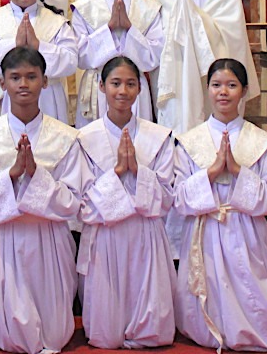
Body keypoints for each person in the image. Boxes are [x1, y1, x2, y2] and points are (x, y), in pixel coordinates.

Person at [174, 59, 267, 352]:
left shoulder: (261, 143)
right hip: (205, 226)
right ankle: (209, 329)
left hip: (245, 229)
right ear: (207, 90)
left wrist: (236, 171)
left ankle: (252, 328)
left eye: (232, 85)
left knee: (251, 286)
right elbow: (179, 198)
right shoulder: (189, 142)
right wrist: (210, 173)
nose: (223, 92)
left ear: (244, 91)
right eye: (217, 85)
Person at [0, 46, 84, 354]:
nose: (23, 85)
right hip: (8, 239)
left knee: (54, 330)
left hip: (50, 238)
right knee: (12, 332)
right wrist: (11, 176)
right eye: (15, 77)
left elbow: (74, 203)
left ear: (45, 82)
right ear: (2, 83)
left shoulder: (65, 137)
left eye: (31, 77)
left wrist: (36, 174)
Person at [77, 56, 177, 349]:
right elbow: (82, 202)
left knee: (149, 313)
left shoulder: (158, 137)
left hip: (146, 232)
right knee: (106, 334)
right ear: (101, 86)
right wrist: (119, 172)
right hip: (106, 233)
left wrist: (138, 172)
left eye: (130, 84)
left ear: (140, 89)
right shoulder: (84, 138)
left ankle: (146, 329)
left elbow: (168, 196)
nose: (122, 91)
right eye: (115, 83)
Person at [155, 0, 259, 135]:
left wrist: (193, 20)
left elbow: (231, 32)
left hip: (212, 71)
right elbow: (159, 33)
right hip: (178, 71)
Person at [71, 0, 165, 127]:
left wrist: (130, 28)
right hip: (98, 87)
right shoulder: (85, 6)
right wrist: (110, 28)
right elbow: (79, 56)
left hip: (134, 88)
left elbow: (155, 56)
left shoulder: (149, 7)